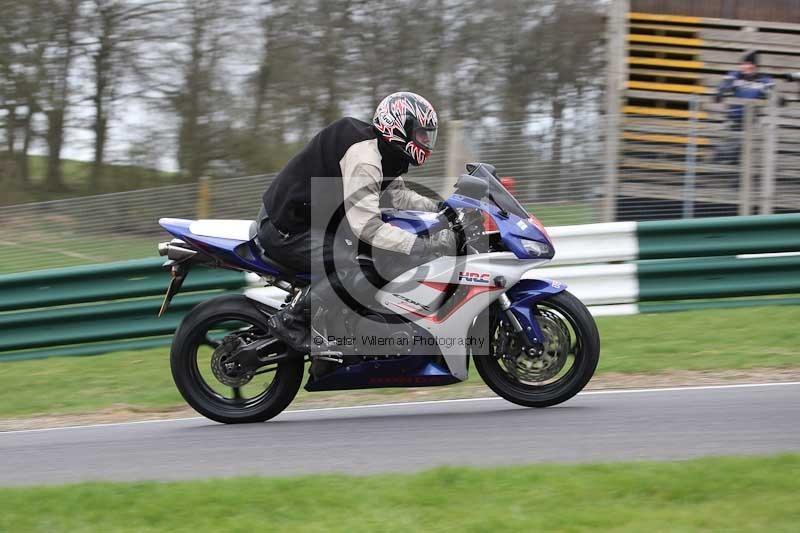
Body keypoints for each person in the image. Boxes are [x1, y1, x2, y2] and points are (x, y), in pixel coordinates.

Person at [257, 92, 456, 353]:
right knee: (353, 266)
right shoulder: (366, 158)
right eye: (421, 134)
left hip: (307, 222)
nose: (427, 142)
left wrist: (442, 208)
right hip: (287, 228)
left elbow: (397, 194)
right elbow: (368, 227)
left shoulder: (383, 151)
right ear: (398, 127)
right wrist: (421, 246)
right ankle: (291, 321)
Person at [715, 50, 774, 131]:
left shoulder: (763, 79)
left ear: (755, 66)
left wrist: (778, 97)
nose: (745, 66)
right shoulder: (735, 76)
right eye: (743, 64)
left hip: (751, 125)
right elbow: (724, 85)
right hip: (733, 123)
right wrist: (720, 91)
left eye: (749, 63)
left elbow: (772, 91)